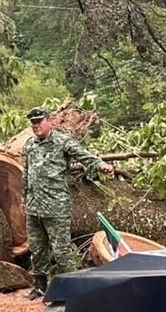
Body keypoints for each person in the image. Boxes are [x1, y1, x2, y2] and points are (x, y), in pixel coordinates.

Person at [22, 106, 114, 299]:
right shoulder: (30, 145)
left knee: (61, 250)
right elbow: (27, 174)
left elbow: (83, 155)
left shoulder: (62, 142)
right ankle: (40, 285)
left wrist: (101, 165)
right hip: (34, 206)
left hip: (56, 207)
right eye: (33, 123)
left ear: (49, 121)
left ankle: (71, 288)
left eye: (39, 121)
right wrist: (24, 199)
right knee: (37, 249)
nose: (36, 126)